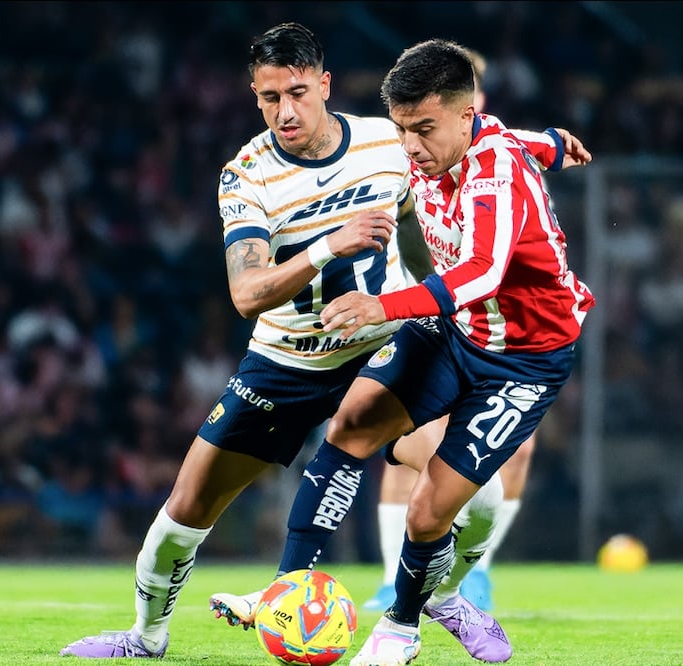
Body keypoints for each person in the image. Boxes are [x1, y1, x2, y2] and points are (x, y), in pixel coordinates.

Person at [59, 23, 587, 660]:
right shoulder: (246, 177)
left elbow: (480, 137)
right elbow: (248, 294)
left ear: (325, 85)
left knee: (474, 493)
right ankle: (146, 638)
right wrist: (326, 246)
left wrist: (552, 144)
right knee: (186, 506)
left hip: (386, 332)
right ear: (254, 96)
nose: (285, 111)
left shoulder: (385, 139)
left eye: (298, 92)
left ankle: (428, 593)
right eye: (268, 97)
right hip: (287, 359)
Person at [214, 38, 593, 666]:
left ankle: (404, 625)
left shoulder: (493, 177)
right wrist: (556, 141)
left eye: (423, 130)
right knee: (351, 425)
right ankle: (289, 591)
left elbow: (479, 274)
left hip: (523, 359)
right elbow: (519, 138)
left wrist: (380, 307)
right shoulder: (445, 142)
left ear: (462, 117)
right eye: (401, 129)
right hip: (457, 332)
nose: (410, 148)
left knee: (426, 515)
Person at [363, 46, 538, 613]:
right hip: (420, 309)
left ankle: (473, 573)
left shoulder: (493, 159)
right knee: (414, 439)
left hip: (483, 321)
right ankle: (396, 577)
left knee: (515, 447)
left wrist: (557, 145)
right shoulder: (411, 153)